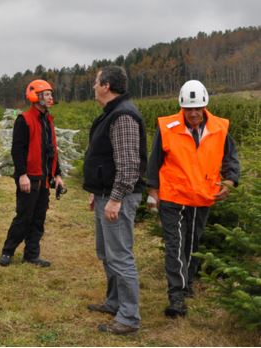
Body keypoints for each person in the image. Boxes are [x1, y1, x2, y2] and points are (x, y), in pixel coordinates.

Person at [147, 80, 240, 317]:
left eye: (197, 108)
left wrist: (230, 181)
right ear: (182, 107)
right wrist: (152, 191)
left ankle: (187, 283)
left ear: (205, 105)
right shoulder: (168, 127)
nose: (194, 113)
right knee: (175, 245)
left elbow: (231, 158)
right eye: (189, 109)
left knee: (192, 243)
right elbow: (154, 160)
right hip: (173, 196)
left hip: (203, 196)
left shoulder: (220, 128)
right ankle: (176, 296)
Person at [83, 66, 147, 335]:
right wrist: (96, 191)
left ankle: (129, 317)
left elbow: (129, 165)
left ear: (107, 85)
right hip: (105, 195)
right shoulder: (111, 114)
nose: (94, 86)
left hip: (117, 198)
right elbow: (106, 159)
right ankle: (114, 302)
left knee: (120, 256)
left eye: (96, 82)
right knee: (106, 253)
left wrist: (115, 198)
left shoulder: (122, 116)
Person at [0, 80, 64, 268]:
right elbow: (17, 150)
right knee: (24, 217)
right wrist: (22, 175)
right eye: (47, 94)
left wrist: (56, 174)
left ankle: (32, 255)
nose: (51, 97)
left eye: (51, 93)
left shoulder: (48, 120)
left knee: (38, 218)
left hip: (44, 179)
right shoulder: (24, 119)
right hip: (30, 177)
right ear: (36, 96)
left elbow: (52, 149)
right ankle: (7, 252)